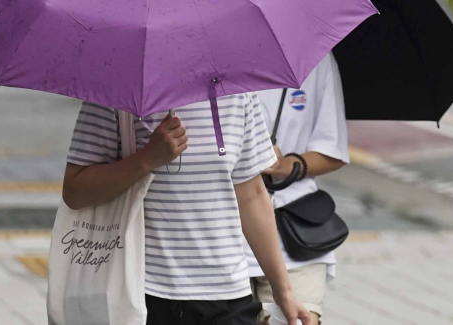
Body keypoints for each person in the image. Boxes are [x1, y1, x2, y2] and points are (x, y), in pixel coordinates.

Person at [63, 92, 311, 325]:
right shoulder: (116, 94)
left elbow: (252, 195)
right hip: (141, 293)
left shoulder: (238, 93)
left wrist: (284, 290)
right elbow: (75, 191)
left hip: (228, 295)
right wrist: (147, 158)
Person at [246, 53, 350, 325]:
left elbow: (333, 151)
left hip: (294, 238)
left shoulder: (317, 58)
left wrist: (284, 165)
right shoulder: (210, 52)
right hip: (224, 236)